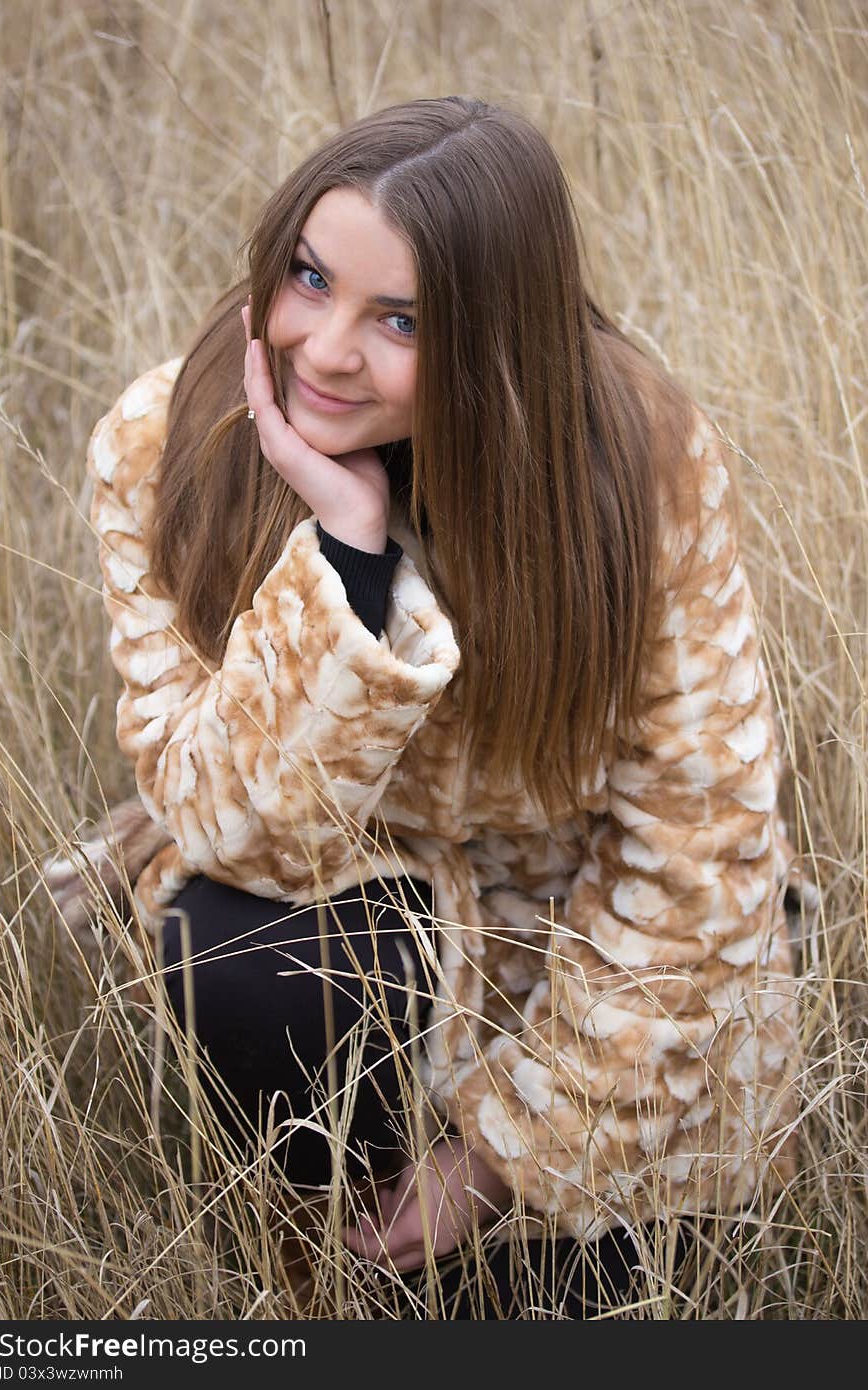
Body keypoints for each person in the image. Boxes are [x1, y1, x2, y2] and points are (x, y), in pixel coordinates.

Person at [65, 96, 804, 1317]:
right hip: (344, 908)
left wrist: (502, 1157)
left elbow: (698, 847)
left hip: (577, 949)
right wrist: (350, 567)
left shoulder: (637, 465)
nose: (323, 349)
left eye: (398, 318)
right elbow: (227, 832)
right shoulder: (165, 444)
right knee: (235, 953)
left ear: (493, 342)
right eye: (308, 277)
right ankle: (319, 1246)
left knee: (571, 1295)